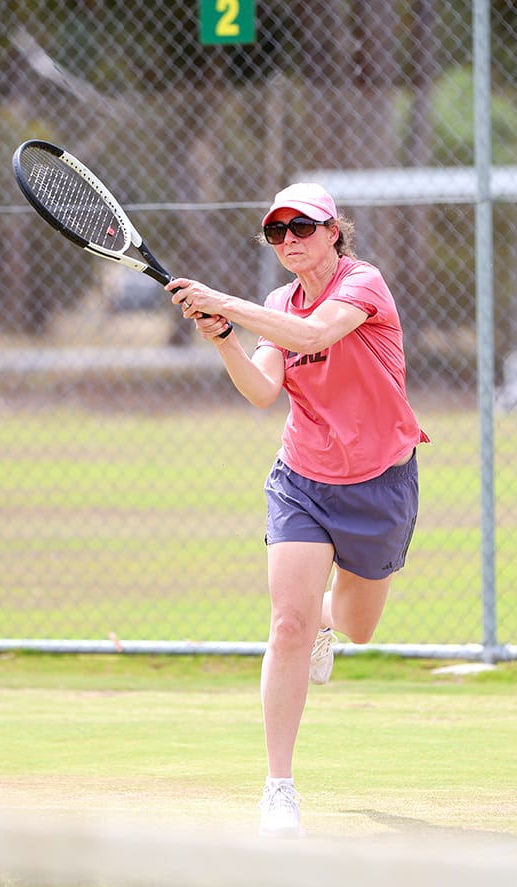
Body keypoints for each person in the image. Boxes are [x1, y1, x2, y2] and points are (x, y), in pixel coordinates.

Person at [166, 183, 429, 837]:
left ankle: (327, 619)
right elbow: (262, 390)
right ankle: (278, 787)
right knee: (286, 623)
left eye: (301, 228)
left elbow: (314, 332)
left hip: (379, 484)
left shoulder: (362, 284)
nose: (288, 241)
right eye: (275, 232)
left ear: (334, 230)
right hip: (301, 480)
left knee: (355, 626)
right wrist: (224, 335)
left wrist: (225, 301)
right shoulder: (277, 305)